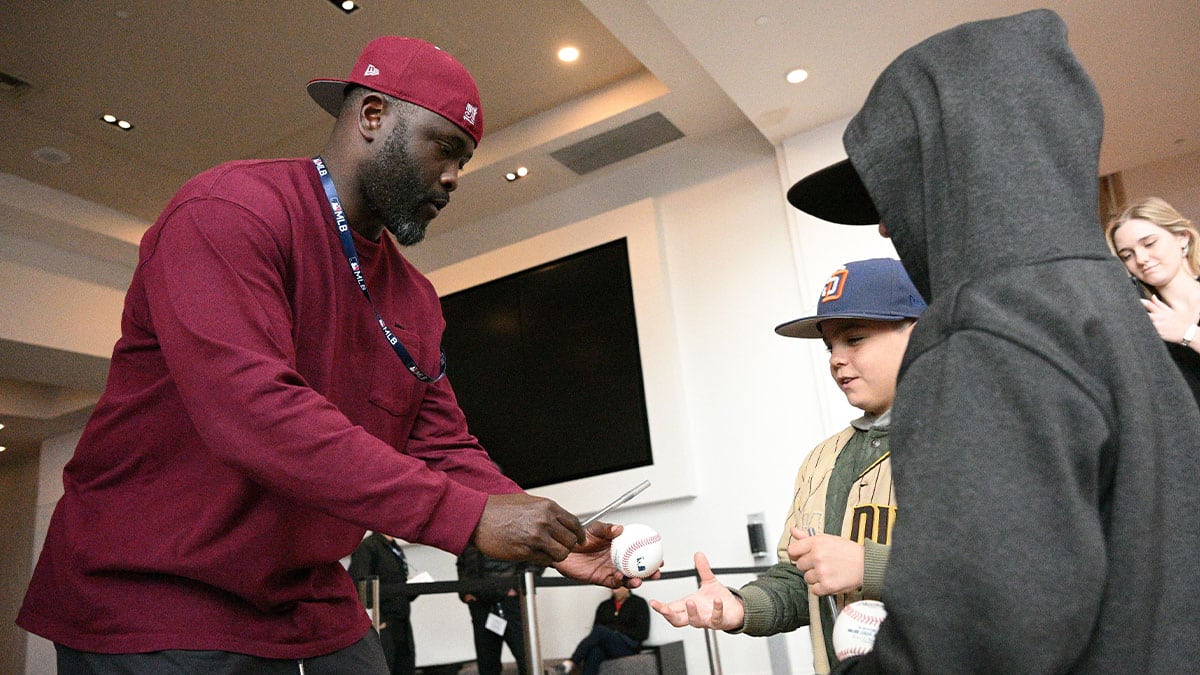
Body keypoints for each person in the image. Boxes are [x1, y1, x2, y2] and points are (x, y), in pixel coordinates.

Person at [17, 36, 644, 674]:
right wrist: (469, 516)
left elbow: (442, 446)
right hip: (157, 591)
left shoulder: (416, 297)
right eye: (445, 148)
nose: (455, 177)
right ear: (373, 116)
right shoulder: (230, 212)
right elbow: (254, 415)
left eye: (465, 159)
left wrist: (543, 534)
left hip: (305, 594)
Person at [785, 9, 1200, 672]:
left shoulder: (981, 331)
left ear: (960, 172)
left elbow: (980, 639)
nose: (888, 230)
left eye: (900, 193)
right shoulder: (1114, 308)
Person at [650, 258, 925, 673]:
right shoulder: (822, 460)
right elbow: (800, 582)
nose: (836, 359)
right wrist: (738, 606)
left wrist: (870, 567)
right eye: (830, 346)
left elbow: (1006, 574)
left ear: (920, 334)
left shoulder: (975, 437)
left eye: (854, 339)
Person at [1105, 196, 1200, 402]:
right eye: (1127, 255)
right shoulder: (1138, 320)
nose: (1141, 259)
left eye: (1149, 244)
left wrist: (1189, 334)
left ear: (1182, 237)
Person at [456, 543, 534, 675]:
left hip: (509, 602)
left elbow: (534, 558)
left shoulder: (513, 524)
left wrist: (515, 587)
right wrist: (466, 593)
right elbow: (462, 563)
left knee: (526, 658)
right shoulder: (469, 531)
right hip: (480, 603)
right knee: (487, 663)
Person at [349, 532, 419, 675]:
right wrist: (376, 618)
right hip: (383, 624)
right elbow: (359, 584)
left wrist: (412, 587)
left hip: (402, 621)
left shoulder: (394, 547)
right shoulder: (367, 547)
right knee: (386, 667)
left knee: (405, 665)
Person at [558, 587, 650, 675]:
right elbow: (595, 633)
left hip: (629, 647)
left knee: (601, 630)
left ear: (627, 587)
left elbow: (642, 633)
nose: (614, 588)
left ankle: (571, 663)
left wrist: (615, 630)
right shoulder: (604, 606)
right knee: (595, 651)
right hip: (608, 646)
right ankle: (570, 665)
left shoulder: (639, 603)